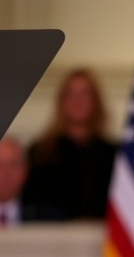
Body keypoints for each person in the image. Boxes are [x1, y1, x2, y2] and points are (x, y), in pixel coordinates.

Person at [23, 68, 117, 220]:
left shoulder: (113, 155)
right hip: (52, 238)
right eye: (71, 93)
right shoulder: (40, 153)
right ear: (61, 101)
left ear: (96, 101)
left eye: (85, 93)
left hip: (103, 238)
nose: (77, 100)